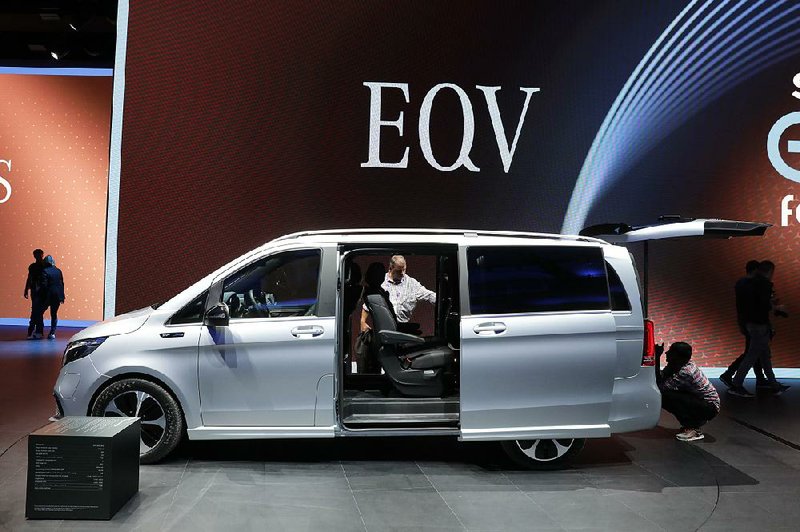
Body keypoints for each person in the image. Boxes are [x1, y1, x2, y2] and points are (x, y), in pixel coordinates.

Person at [728, 261, 787, 397]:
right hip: (760, 324)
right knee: (753, 356)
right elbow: (763, 306)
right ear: (770, 271)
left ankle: (774, 385)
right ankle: (736, 384)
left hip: (749, 323)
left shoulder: (744, 283)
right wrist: (777, 308)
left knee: (764, 355)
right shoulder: (764, 285)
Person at [657, 341, 720, 442]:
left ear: (678, 356)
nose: (666, 353)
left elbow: (662, 387)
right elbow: (661, 376)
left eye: (671, 352)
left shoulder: (686, 371)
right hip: (701, 402)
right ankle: (691, 424)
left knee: (665, 396)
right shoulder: (676, 364)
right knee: (667, 396)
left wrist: (656, 358)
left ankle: (693, 428)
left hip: (709, 406)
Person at [719, 260, 767, 388]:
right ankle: (729, 374)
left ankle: (760, 378)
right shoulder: (752, 285)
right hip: (752, 321)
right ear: (756, 270)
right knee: (751, 351)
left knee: (752, 350)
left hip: (745, 320)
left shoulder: (741, 283)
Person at [41, 255, 65, 339]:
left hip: (48, 296)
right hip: (57, 296)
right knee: (54, 314)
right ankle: (52, 332)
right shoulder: (58, 271)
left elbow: (44, 285)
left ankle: (39, 331)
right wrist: (62, 296)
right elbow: (61, 284)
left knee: (40, 312)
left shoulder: (44, 271)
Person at [23, 248, 46, 339]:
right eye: (36, 255)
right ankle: (37, 331)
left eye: (39, 255)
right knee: (37, 311)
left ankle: (35, 330)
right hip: (35, 291)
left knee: (37, 311)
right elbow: (29, 278)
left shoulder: (45, 266)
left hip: (42, 291)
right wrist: (26, 289)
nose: (38, 257)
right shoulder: (32, 266)